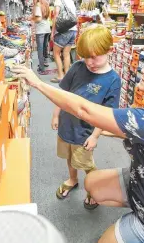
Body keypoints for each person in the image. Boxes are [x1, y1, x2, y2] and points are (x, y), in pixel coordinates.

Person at [12, 45, 144, 243]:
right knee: (92, 183)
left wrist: (38, 83)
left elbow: (84, 109)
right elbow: (122, 129)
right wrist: (98, 130)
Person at [51, 25, 121, 209]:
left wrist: (95, 135)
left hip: (85, 133)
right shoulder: (77, 67)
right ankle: (72, 179)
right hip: (66, 126)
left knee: (86, 164)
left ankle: (93, 189)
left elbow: (106, 114)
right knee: (69, 157)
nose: (89, 62)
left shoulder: (113, 80)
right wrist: (56, 115)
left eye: (94, 56)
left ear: (109, 51)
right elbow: (63, 94)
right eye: (85, 56)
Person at [50, 0, 77, 83]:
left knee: (56, 54)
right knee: (66, 54)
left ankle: (60, 76)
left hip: (63, 31)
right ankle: (67, 76)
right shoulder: (71, 1)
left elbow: (55, 16)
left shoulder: (58, 0)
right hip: (73, 30)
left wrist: (52, 32)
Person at [31, 0, 51, 75]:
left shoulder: (38, 5)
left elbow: (38, 19)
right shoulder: (45, 3)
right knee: (44, 47)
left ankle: (42, 68)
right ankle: (45, 62)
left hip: (41, 30)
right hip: (47, 29)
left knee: (40, 49)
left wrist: (32, 18)